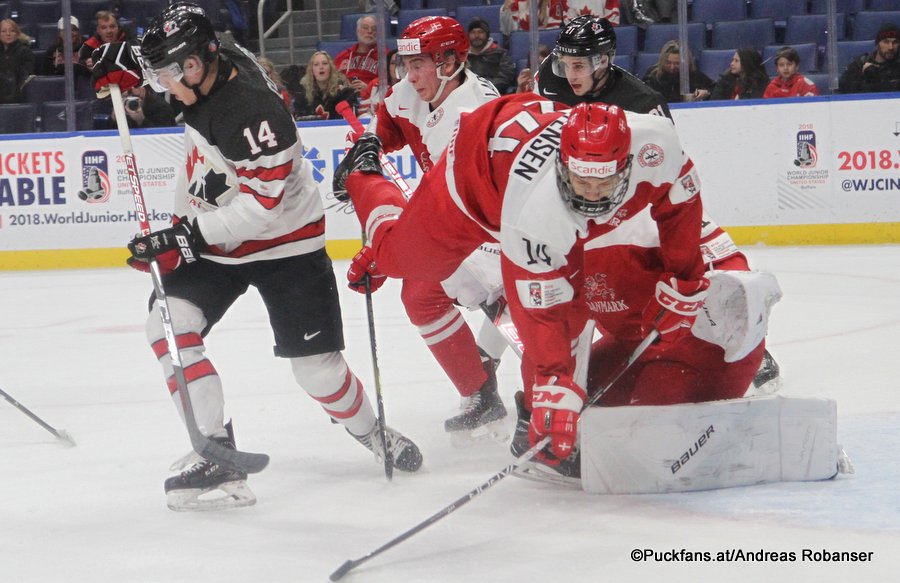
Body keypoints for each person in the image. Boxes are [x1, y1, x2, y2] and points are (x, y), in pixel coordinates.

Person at [91, 2, 422, 511]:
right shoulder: (208, 63)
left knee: (318, 371)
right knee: (167, 325)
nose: (164, 88)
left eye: (169, 77)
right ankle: (217, 455)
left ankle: (372, 431)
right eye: (160, 77)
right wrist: (126, 62)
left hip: (284, 240)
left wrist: (183, 238)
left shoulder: (253, 112)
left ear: (200, 65)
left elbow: (261, 210)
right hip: (217, 239)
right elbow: (168, 56)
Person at [333, 92, 710, 469]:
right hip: (472, 176)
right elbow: (537, 310)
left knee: (576, 306)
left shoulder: (657, 145)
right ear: (564, 164)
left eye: (603, 184)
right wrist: (553, 381)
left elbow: (681, 203)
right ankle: (362, 179)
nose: (592, 198)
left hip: (520, 142)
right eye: (581, 183)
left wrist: (685, 276)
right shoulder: (534, 211)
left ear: (627, 162)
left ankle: (532, 424)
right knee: (402, 261)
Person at [356, 16, 508, 443]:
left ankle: (555, 396)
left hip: (498, 229)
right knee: (421, 296)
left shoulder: (476, 113)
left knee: (522, 305)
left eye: (420, 63)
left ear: (450, 62)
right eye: (407, 64)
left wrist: (390, 246)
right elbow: (385, 123)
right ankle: (480, 393)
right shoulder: (412, 89)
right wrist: (367, 149)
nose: (410, 75)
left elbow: (451, 203)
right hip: (453, 217)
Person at [536, 15, 670, 117]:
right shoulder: (549, 78)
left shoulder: (645, 104)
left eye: (578, 66)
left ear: (603, 62)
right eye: (565, 65)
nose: (571, 76)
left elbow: (667, 150)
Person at [334, 15, 385, 111]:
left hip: (371, 104)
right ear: (357, 31)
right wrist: (345, 87)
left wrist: (368, 88)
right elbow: (331, 81)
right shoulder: (343, 56)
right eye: (365, 28)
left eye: (374, 29)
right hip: (344, 103)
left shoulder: (384, 56)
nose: (370, 31)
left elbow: (390, 83)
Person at [293, 50, 358, 120]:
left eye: (324, 63)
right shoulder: (302, 96)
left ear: (330, 69)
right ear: (311, 70)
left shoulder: (344, 93)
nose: (321, 67)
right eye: (316, 64)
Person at [642, 40, 714, 102]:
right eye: (668, 63)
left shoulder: (694, 75)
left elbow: (715, 88)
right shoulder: (652, 75)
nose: (672, 67)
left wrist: (706, 92)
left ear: (686, 62)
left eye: (677, 63)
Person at [838, 22, 900, 94]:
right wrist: (863, 77)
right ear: (877, 44)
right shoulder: (860, 64)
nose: (891, 47)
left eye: (895, 42)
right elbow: (843, 88)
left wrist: (875, 80)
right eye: (886, 42)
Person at [466, 17, 516, 95]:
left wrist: (485, 87)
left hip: (494, 93)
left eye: (480, 32)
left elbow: (506, 76)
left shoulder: (500, 53)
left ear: (487, 35)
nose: (476, 36)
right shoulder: (463, 56)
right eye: (473, 32)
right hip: (469, 94)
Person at [106, 83, 178, 129]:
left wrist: (141, 120)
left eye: (134, 97)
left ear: (143, 91)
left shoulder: (161, 107)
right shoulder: (118, 105)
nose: (130, 101)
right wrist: (114, 119)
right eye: (126, 98)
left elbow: (164, 137)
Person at [0, 19, 34, 104]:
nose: (8, 34)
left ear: (17, 33)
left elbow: (26, 75)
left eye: (12, 31)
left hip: (17, 95)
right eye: (3, 31)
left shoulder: (25, 51)